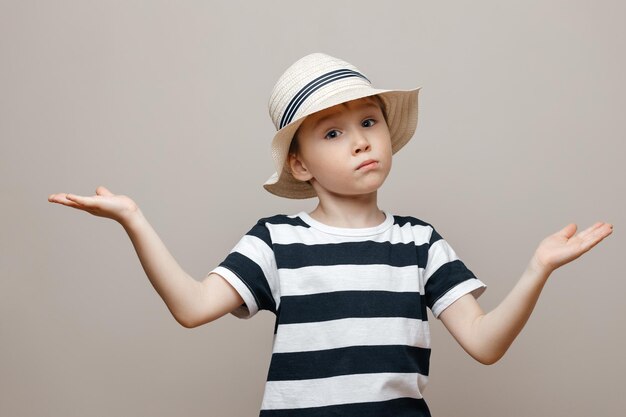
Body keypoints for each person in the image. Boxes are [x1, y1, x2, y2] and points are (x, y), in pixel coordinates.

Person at [48, 53, 613, 417]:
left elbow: (485, 345)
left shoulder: (419, 242)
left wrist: (538, 267)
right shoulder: (276, 240)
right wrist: (134, 220)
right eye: (334, 132)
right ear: (300, 164)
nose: (362, 141)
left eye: (369, 122)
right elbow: (193, 307)